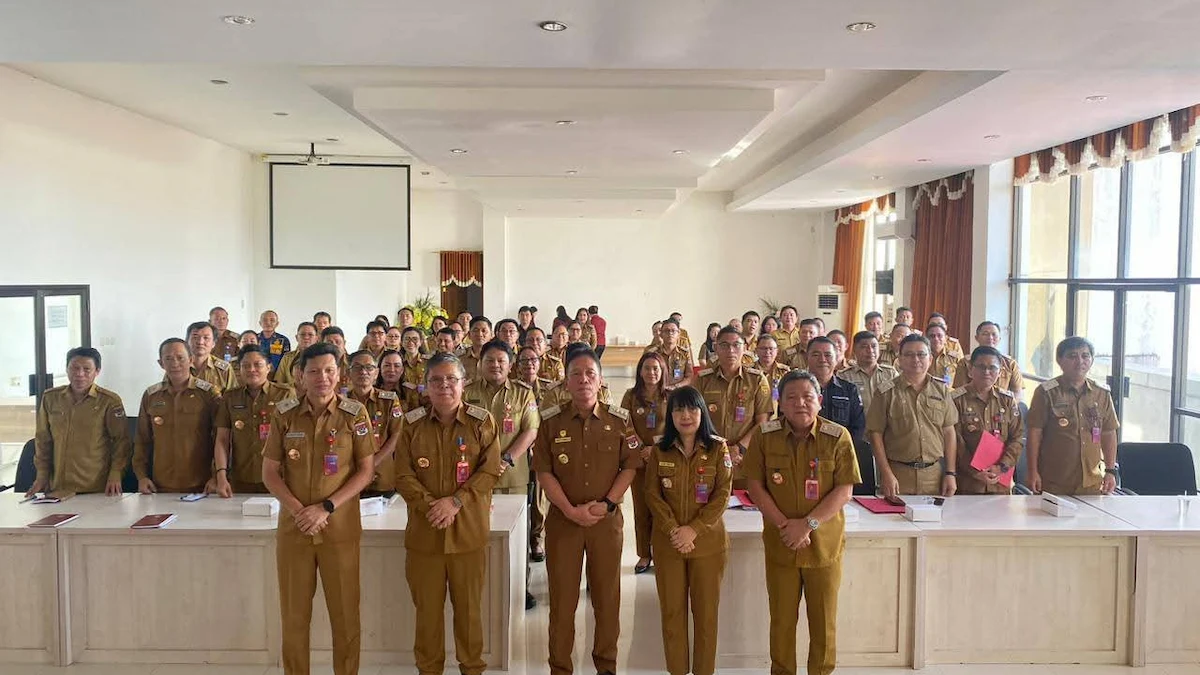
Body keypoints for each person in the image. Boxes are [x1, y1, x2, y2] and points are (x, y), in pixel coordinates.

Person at [261, 342, 376, 675]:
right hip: (295, 531)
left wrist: (325, 508)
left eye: (328, 370)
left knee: (345, 616)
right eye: (313, 371)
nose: (321, 378)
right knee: (294, 617)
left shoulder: (355, 414)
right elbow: (269, 472)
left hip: (339, 530)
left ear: (339, 374)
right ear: (300, 375)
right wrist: (300, 511)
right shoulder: (284, 414)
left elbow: (365, 471)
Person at [532, 348, 643, 675]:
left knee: (607, 601)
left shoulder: (619, 420)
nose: (583, 380)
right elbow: (543, 471)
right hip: (563, 524)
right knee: (562, 604)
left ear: (600, 380)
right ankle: (560, 668)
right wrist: (569, 509)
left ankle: (606, 667)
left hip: (605, 523)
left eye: (589, 374)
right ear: (566, 382)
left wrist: (607, 503)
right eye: (576, 374)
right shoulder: (550, 421)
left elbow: (630, 466)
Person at [744, 370, 861, 675]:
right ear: (780, 404)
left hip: (823, 547)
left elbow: (844, 489)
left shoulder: (838, 436)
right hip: (782, 544)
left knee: (823, 622)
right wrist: (787, 526)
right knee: (782, 620)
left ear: (820, 401)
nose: (800, 404)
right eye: (792, 398)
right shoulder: (764, 436)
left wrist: (807, 525)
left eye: (808, 397)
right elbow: (755, 486)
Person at [395, 353, 502, 675]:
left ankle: (472, 668)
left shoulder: (482, 422)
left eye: (451, 379)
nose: (444, 386)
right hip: (424, 536)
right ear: (426, 386)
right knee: (427, 614)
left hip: (467, 534)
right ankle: (429, 670)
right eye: (436, 380)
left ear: (463, 383)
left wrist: (455, 502)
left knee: (469, 613)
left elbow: (491, 470)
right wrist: (432, 505)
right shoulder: (411, 424)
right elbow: (402, 475)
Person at [643, 386, 733, 675]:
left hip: (707, 544)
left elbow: (722, 494)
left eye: (692, 408)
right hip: (669, 545)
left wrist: (692, 530)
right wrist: (674, 530)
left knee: (706, 616)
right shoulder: (659, 450)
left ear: (702, 412)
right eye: (679, 409)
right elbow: (652, 495)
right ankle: (677, 671)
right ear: (670, 415)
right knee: (672, 614)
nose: (686, 415)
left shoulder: (718, 448)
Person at [463, 340, 540, 608]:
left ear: (510, 366)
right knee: (477, 533)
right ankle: (481, 587)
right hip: (474, 477)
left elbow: (530, 431)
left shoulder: (523, 394)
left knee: (516, 537)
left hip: (512, 478)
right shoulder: (466, 392)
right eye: (490, 361)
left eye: (501, 361)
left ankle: (520, 588)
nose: (495, 365)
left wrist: (506, 459)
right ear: (480, 363)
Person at [28, 347, 131, 497]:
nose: (79, 374)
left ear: (97, 371)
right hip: (57, 486)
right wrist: (42, 474)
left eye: (87, 369)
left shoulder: (109, 401)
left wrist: (116, 473)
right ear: (67, 369)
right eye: (74, 368)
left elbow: (121, 442)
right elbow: (43, 440)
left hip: (95, 487)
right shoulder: (51, 398)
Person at [867, 334, 958, 498]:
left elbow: (949, 432)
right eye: (909, 354)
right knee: (894, 522)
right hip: (898, 474)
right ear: (899, 360)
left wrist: (950, 473)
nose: (915, 359)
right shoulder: (885, 392)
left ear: (930, 359)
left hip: (933, 476)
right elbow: (875, 435)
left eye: (921, 354)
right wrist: (885, 473)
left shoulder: (942, 391)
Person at [1026, 337, 1120, 495]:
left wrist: (1110, 470)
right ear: (1059, 360)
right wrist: (1032, 471)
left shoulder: (1101, 393)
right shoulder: (1046, 392)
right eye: (1072, 356)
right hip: (1054, 480)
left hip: (1092, 481)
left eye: (1085, 356)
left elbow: (1108, 433)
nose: (1080, 361)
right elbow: (1034, 434)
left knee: (1091, 520)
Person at [133, 338, 220, 494]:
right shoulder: (151, 395)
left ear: (191, 360)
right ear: (161, 363)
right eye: (168, 358)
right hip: (160, 486)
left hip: (203, 485)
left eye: (180, 358)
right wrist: (141, 477)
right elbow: (142, 440)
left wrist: (217, 476)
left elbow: (221, 439)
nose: (174, 363)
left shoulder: (208, 394)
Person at [694, 326, 772, 489]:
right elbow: (695, 419)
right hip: (709, 456)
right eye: (724, 345)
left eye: (736, 345)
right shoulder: (703, 380)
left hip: (744, 458)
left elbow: (762, 422)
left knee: (743, 510)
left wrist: (739, 448)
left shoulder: (756, 380)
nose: (731, 350)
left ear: (745, 348)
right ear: (715, 348)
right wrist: (716, 448)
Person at [212, 346, 293, 496]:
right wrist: (221, 475)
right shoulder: (230, 398)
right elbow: (222, 439)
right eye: (246, 365)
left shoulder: (285, 394)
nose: (251, 369)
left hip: (280, 479)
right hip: (241, 479)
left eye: (258, 364)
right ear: (239, 369)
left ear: (269, 367)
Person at [620, 351, 669, 575]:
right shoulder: (630, 396)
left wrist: (655, 449)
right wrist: (640, 448)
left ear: (662, 372)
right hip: (638, 460)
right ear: (640, 371)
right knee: (641, 509)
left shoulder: (670, 396)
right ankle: (644, 554)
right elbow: (625, 425)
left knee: (664, 508)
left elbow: (676, 427)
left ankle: (661, 551)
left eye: (656, 369)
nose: (651, 373)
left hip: (665, 459)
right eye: (647, 368)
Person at [952, 346, 1025, 495]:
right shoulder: (956, 400)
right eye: (981, 367)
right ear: (970, 370)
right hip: (968, 484)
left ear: (1000, 372)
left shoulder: (1007, 400)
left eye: (992, 367)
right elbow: (955, 441)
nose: (986, 372)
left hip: (1000, 483)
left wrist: (1002, 467)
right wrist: (975, 471)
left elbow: (1017, 438)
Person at [346, 349, 404, 496]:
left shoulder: (389, 400)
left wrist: (371, 465)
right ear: (348, 372)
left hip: (382, 478)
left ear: (376, 373)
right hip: (347, 479)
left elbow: (396, 435)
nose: (363, 372)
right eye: (357, 367)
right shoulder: (341, 402)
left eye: (369, 367)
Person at [514, 345, 553, 563]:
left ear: (539, 363)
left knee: (539, 498)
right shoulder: (513, 390)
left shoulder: (549, 389)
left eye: (533, 360)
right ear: (517, 366)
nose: (529, 364)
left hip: (543, 449)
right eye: (524, 361)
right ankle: (519, 536)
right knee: (519, 495)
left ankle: (536, 539)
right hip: (518, 449)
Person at [806, 337, 865, 445]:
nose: (822, 359)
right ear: (807, 357)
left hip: (840, 453)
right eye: (816, 355)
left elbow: (858, 427)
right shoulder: (795, 388)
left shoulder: (849, 390)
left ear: (836, 358)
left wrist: (841, 450)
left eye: (828, 355)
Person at [951, 321, 1024, 398]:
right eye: (985, 334)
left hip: (1002, 407)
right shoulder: (965, 362)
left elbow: (1018, 392)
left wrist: (1008, 406)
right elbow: (959, 391)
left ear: (999, 339)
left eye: (994, 334)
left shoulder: (1010, 364)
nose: (990, 338)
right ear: (976, 338)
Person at [840, 331, 898, 422]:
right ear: (854, 350)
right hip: (859, 430)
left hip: (887, 429)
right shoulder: (845, 376)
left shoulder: (890, 373)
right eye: (864, 347)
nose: (870, 350)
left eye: (874, 346)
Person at [187, 320, 237, 393]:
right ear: (187, 341)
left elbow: (233, 398)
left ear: (213, 343)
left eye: (206, 338)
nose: (200, 342)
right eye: (195, 337)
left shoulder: (224, 369)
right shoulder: (178, 366)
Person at [649, 318, 694, 390]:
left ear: (678, 334)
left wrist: (676, 387)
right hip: (658, 392)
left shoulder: (684, 353)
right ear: (661, 334)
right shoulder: (653, 354)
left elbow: (689, 376)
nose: (670, 333)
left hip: (679, 392)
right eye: (666, 331)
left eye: (673, 331)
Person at [754, 334, 792, 413]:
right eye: (763, 348)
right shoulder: (748, 371)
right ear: (756, 350)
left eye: (771, 349)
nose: (767, 352)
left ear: (777, 351)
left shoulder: (784, 371)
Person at [274, 322, 319, 386]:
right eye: (302, 334)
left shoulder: (322, 358)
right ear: (296, 337)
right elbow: (279, 382)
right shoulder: (287, 357)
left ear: (316, 338)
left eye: (310, 334)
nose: (306, 337)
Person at [400, 326, 430, 410]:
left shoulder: (429, 362)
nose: (411, 342)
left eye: (415, 339)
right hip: (404, 409)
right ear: (401, 343)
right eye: (407, 339)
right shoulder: (397, 363)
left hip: (427, 408)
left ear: (420, 342)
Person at [320, 326, 352, 396]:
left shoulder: (353, 362)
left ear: (344, 343)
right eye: (330, 342)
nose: (334, 345)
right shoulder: (317, 365)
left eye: (338, 342)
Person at [461, 316, 493, 383]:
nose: (480, 334)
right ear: (469, 335)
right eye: (475, 330)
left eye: (484, 331)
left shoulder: (497, 357)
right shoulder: (460, 357)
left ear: (492, 334)